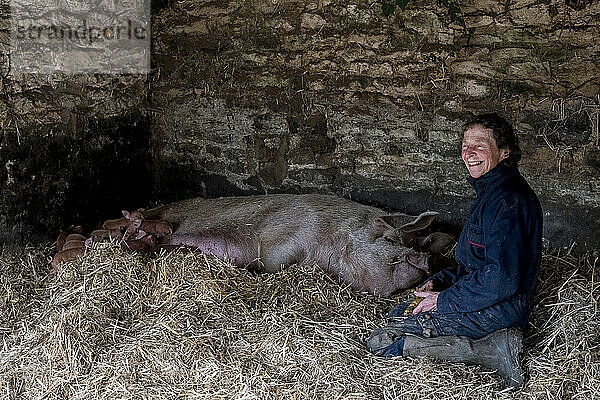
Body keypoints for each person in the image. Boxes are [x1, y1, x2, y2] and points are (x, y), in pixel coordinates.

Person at [366, 113, 543, 389]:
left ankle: (493, 350)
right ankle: (487, 343)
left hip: (498, 310)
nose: (468, 153)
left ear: (504, 151)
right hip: (487, 301)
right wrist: (443, 282)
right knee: (398, 314)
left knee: (383, 342)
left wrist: (444, 301)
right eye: (465, 146)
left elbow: (501, 279)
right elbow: (478, 263)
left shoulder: (508, 201)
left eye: (479, 145)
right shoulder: (492, 191)